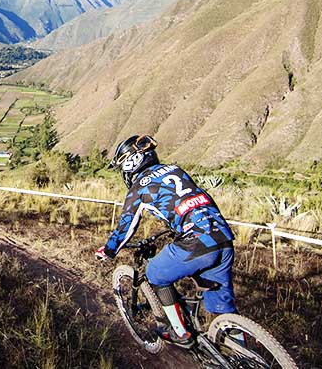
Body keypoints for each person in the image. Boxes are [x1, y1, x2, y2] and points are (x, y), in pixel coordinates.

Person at [95, 135, 236, 347]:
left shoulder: (139, 188)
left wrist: (109, 250)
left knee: (155, 274)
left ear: (131, 163)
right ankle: (243, 353)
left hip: (196, 241)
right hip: (222, 236)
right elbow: (198, 199)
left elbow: (126, 227)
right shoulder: (176, 170)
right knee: (224, 311)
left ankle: (180, 332)